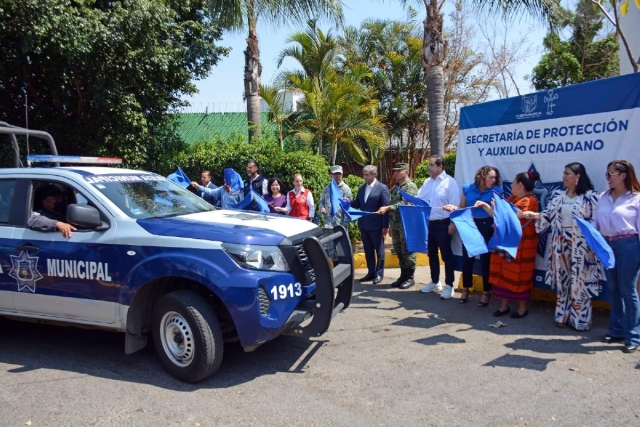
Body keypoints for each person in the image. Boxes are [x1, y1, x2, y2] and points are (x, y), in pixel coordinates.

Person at [522, 162, 602, 331]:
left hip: (582, 246)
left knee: (580, 281)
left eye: (567, 173)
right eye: (563, 173)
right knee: (563, 279)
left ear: (578, 176)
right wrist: (532, 215)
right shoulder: (558, 195)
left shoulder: (590, 196)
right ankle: (562, 315)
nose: (564, 177)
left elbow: (598, 222)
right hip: (560, 243)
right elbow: (548, 216)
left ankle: (580, 319)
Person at [476, 171, 540, 318]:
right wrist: (486, 207)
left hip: (521, 246)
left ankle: (522, 308)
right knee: (502, 273)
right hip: (506, 244)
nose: (510, 185)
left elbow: (515, 215)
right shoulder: (511, 198)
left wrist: (499, 208)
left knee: (520, 274)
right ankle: (504, 306)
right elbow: (499, 215)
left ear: (520, 185)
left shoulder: (530, 201)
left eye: (513, 182)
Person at [593, 160, 640, 353]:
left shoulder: (636, 198)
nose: (607, 178)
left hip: (629, 245)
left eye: (611, 174)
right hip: (607, 245)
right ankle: (616, 331)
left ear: (623, 175)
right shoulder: (604, 197)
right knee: (614, 289)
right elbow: (596, 221)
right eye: (607, 174)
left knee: (628, 290)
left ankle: (633, 336)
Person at [443, 165, 503, 306]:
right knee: (467, 259)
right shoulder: (468, 188)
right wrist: (452, 212)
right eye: (491, 177)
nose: (494, 180)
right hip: (469, 225)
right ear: (482, 176)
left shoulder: (497, 191)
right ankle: (465, 289)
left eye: (495, 177)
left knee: (485, 261)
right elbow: (462, 207)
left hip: (487, 225)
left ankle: (486, 292)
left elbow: (499, 214)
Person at [417, 155, 461, 300]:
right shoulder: (427, 182)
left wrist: (452, 224)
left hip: (444, 223)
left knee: (446, 255)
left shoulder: (450, 182)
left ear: (440, 167)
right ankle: (435, 282)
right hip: (430, 223)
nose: (429, 167)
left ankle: (449, 285)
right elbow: (420, 199)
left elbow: (455, 206)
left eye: (431, 165)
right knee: (432, 254)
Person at [376, 163, 419, 289]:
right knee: (399, 250)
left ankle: (410, 277)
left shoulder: (411, 187)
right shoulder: (395, 188)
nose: (395, 173)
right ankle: (403, 276)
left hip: (406, 224)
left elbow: (406, 202)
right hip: (395, 223)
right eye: (395, 171)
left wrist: (388, 208)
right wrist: (389, 223)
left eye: (398, 171)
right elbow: (393, 202)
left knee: (408, 251)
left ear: (406, 171)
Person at [351, 165, 389, 284]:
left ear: (374, 174)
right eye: (364, 174)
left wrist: (385, 226)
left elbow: (386, 208)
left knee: (379, 251)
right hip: (364, 225)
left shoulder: (382, 188)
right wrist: (348, 203)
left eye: (366, 174)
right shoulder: (362, 188)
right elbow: (358, 203)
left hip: (376, 225)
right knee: (368, 251)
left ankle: (379, 274)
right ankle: (371, 272)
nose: (364, 177)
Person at [318, 165, 353, 258]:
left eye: (339, 174)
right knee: (330, 251)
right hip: (328, 225)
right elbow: (321, 202)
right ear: (331, 175)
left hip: (340, 225)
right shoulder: (327, 188)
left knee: (341, 251)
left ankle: (341, 271)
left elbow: (348, 209)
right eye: (335, 174)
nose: (337, 176)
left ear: (342, 175)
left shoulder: (346, 189)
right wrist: (322, 208)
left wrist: (345, 225)